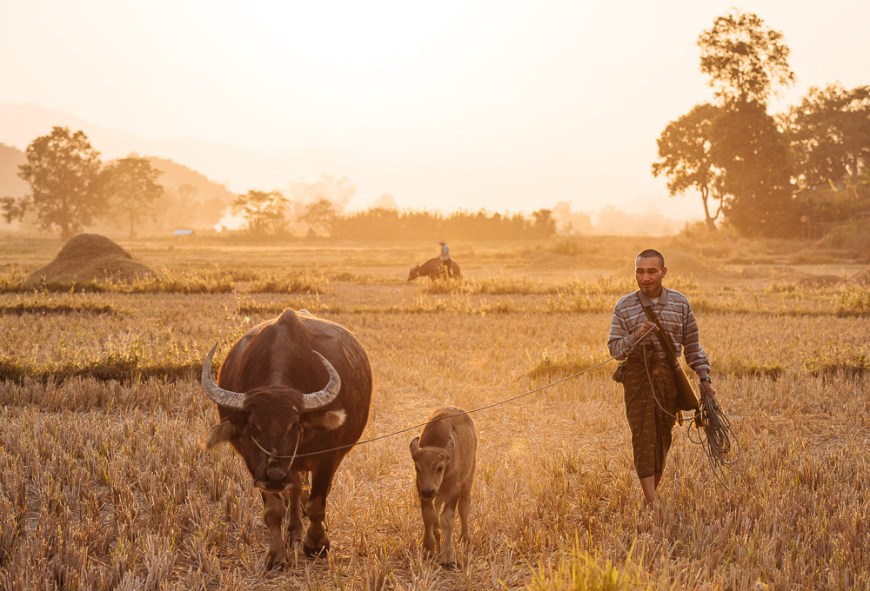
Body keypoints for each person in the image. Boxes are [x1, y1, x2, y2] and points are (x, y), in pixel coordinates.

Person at [607, 249, 716, 508]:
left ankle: (649, 497)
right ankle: (652, 500)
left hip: (668, 378)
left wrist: (704, 377)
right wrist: (635, 336)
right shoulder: (624, 306)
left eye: (651, 271)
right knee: (643, 437)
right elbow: (614, 349)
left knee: (662, 438)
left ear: (664, 273)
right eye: (640, 271)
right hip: (637, 378)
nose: (645, 277)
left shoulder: (680, 303)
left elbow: (692, 346)